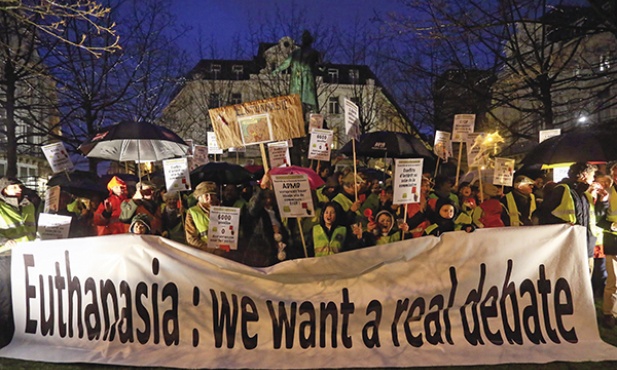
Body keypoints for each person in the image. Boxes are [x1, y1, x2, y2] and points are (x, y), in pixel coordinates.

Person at [538, 162, 597, 276]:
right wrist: (563, 225)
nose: (593, 179)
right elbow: (543, 214)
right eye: (592, 175)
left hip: (586, 247)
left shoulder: (585, 194)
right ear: (584, 175)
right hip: (569, 247)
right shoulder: (562, 190)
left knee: (585, 283)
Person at [273, 30, 322, 112]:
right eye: (304, 39)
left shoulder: (315, 53)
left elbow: (320, 66)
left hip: (307, 78)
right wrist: (277, 70)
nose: (305, 40)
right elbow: (286, 63)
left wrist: (323, 68)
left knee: (311, 100)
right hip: (296, 78)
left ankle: (316, 119)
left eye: (307, 39)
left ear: (310, 41)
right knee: (295, 101)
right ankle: (296, 118)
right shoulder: (295, 53)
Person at [185, 181, 230, 257]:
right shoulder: (192, 212)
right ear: (199, 197)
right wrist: (212, 250)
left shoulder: (225, 211)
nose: (210, 198)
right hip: (204, 255)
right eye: (206, 195)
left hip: (224, 254)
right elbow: (191, 238)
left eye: (212, 195)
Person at [598, 163, 617, 328]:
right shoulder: (607, 194)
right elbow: (598, 218)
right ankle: (609, 314)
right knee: (613, 281)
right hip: (613, 242)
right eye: (616, 175)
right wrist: (611, 227)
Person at [0, 177, 37, 253]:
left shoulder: (29, 206)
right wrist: (4, 241)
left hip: (29, 250)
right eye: (14, 187)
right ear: (4, 190)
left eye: (20, 187)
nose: (19, 189)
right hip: (6, 253)